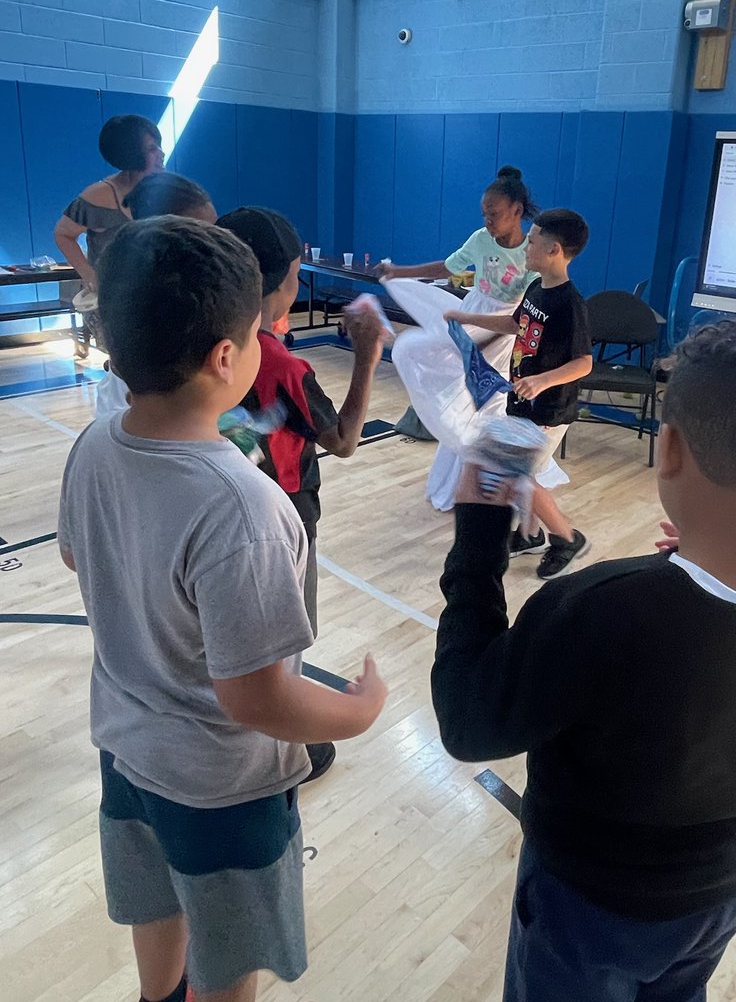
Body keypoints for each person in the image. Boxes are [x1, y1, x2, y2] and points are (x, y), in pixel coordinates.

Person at [431, 315, 736, 1002]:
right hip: (725, 892)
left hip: (589, 904)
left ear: (667, 450)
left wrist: (479, 538)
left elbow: (467, 723)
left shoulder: (596, 609)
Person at [58, 216, 387, 1002]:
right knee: (233, 950)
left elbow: (76, 555)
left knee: (158, 904)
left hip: (127, 754)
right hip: (221, 786)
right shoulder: (246, 509)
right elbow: (258, 697)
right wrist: (360, 711)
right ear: (226, 357)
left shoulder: (95, 444)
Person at [216, 207, 387, 780]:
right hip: (284, 518)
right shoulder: (283, 364)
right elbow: (341, 440)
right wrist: (368, 353)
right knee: (283, 641)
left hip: (221, 507)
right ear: (287, 277)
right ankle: (278, 748)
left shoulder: (208, 343)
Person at [379, 166, 559, 510]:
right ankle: (461, 483)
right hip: (473, 317)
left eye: (494, 214)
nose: (488, 221)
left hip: (504, 332)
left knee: (486, 407)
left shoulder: (530, 255)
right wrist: (399, 272)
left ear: (517, 211)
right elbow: (448, 266)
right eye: (485, 214)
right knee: (441, 376)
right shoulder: (480, 240)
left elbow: (523, 316)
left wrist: (479, 346)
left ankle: (493, 488)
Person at [445, 208, 593, 579]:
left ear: (554, 249)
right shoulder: (536, 287)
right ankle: (531, 534)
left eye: (533, 240)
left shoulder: (569, 303)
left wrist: (542, 381)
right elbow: (516, 323)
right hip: (522, 401)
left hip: (549, 410)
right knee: (518, 473)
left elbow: (584, 363)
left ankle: (567, 538)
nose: (525, 245)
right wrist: (468, 318)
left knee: (524, 476)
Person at [94, 173, 217, 418]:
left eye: (214, 230)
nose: (213, 242)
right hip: (136, 410)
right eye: (200, 232)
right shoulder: (137, 284)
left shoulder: (192, 276)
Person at [54, 114, 164, 355]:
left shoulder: (160, 189)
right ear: (131, 154)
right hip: (113, 303)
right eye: (152, 149)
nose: (161, 154)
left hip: (150, 295)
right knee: (129, 371)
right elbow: (63, 234)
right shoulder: (99, 195)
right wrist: (89, 274)